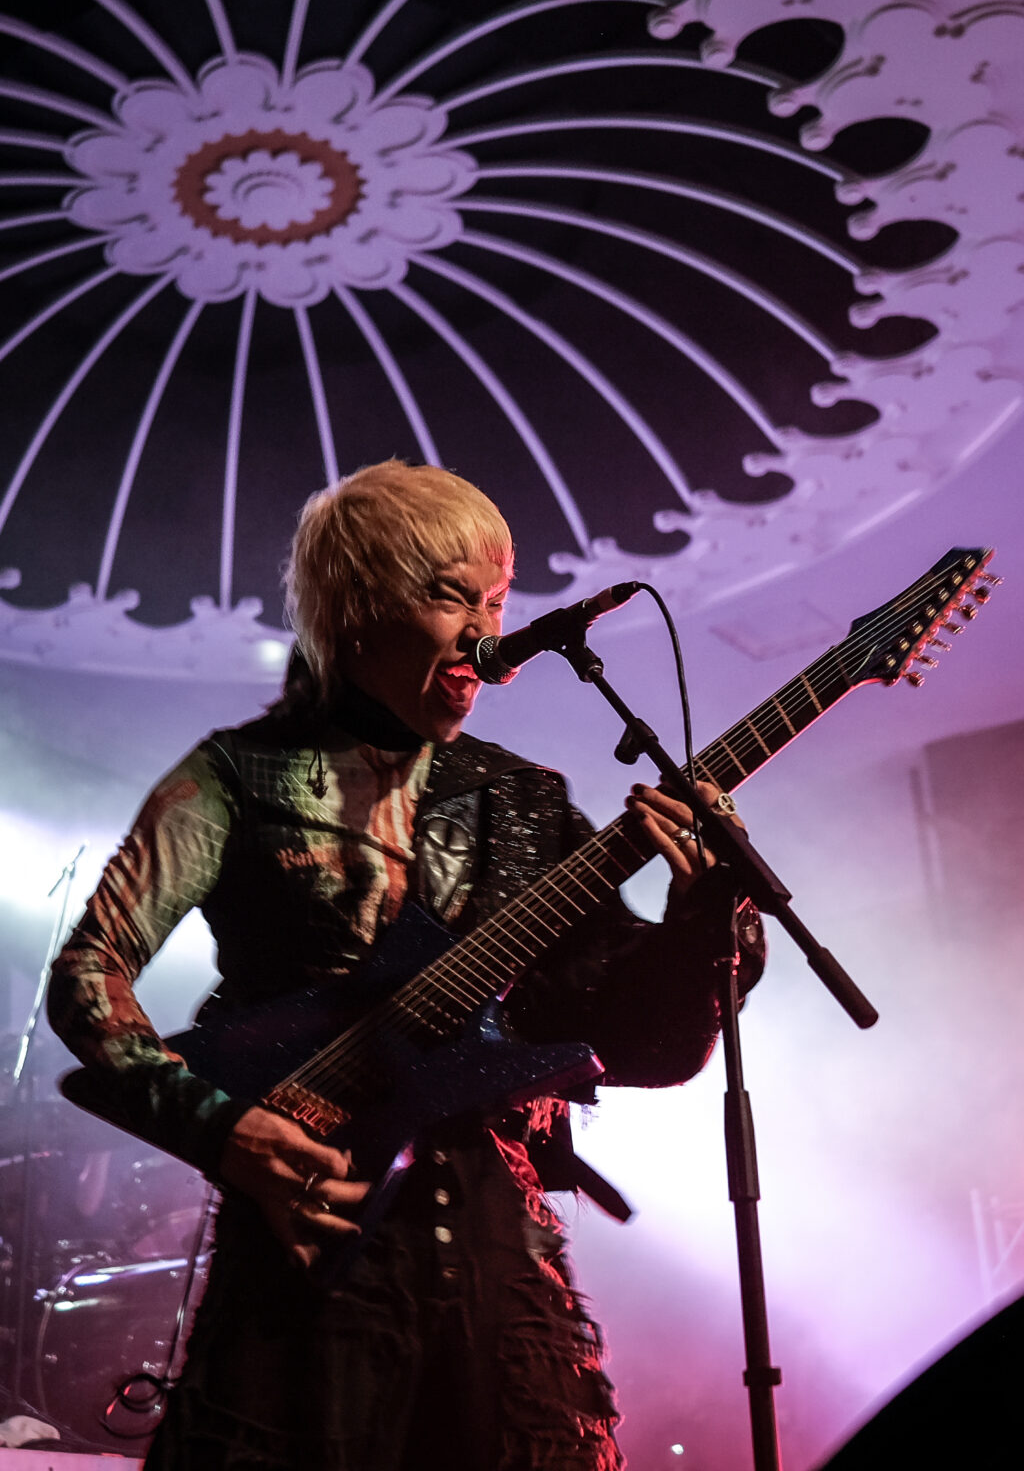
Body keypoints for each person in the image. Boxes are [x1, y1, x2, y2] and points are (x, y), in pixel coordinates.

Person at [47, 460, 757, 1471]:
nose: (484, 633)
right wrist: (218, 1128)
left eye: (497, 602)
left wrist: (703, 919)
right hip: (314, 1251)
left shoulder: (522, 800)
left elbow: (644, 1049)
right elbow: (88, 973)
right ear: (357, 612)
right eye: (451, 597)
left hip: (501, 1266)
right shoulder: (237, 778)